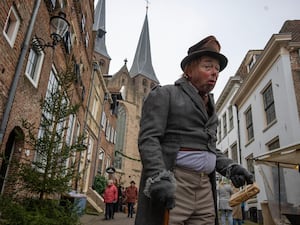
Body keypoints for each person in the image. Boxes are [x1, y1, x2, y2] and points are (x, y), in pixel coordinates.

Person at [134, 35, 254, 225]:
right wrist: (159, 177)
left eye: (217, 68)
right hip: (176, 182)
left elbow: (209, 149)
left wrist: (231, 167)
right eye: (208, 66)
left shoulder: (210, 108)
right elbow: (149, 139)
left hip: (205, 187)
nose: (214, 72)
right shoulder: (165, 94)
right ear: (188, 70)